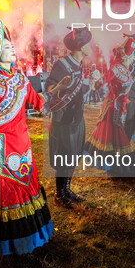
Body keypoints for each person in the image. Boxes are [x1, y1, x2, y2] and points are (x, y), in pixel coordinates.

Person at [0, 20, 65, 256]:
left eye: (11, 46)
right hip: (1, 147)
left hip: (22, 143)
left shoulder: (21, 80)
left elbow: (39, 103)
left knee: (25, 186)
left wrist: (60, 90)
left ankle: (28, 237)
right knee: (6, 193)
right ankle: (7, 242)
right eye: (7, 47)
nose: (12, 49)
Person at [45, 27, 92, 208]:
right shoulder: (62, 65)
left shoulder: (78, 64)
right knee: (64, 155)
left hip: (76, 117)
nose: (91, 47)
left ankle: (67, 189)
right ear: (80, 46)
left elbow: (77, 88)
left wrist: (91, 87)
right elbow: (49, 89)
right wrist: (61, 87)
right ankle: (59, 193)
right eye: (88, 43)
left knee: (74, 154)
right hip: (63, 119)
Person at [84, 36, 135, 175]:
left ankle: (115, 165)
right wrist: (97, 83)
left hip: (121, 106)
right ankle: (115, 165)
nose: (134, 57)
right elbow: (104, 79)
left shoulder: (127, 69)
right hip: (112, 107)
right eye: (133, 54)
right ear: (127, 56)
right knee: (114, 135)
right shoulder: (116, 69)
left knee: (116, 135)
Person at [123, 34, 135, 142]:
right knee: (128, 119)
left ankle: (128, 140)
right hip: (129, 94)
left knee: (134, 119)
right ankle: (124, 141)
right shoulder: (128, 59)